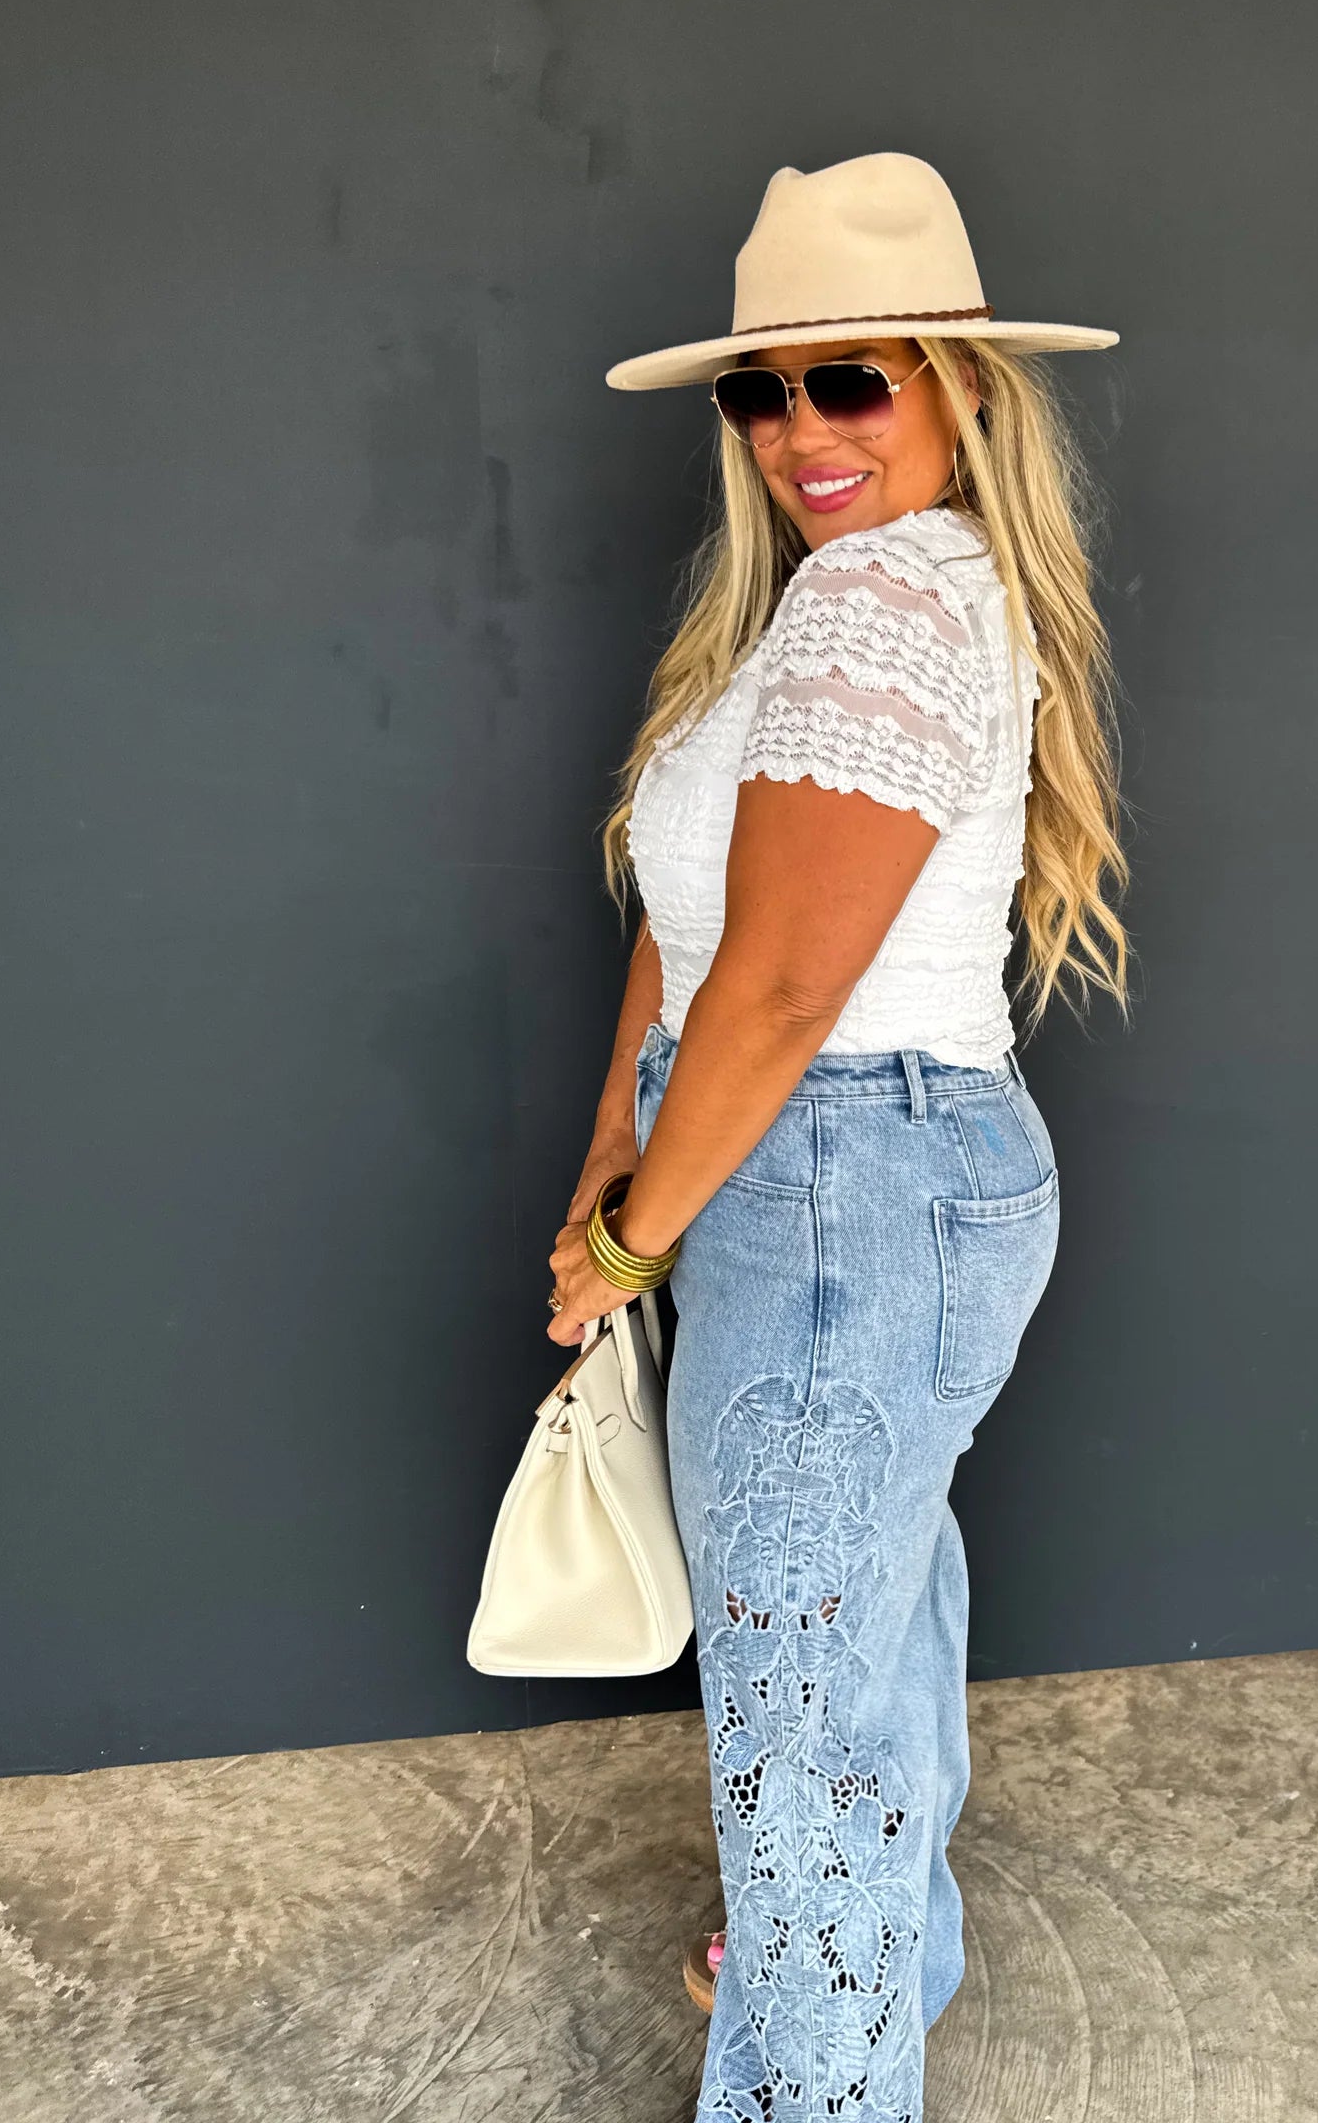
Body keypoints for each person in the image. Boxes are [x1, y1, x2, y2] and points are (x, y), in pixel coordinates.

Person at [545, 151, 1130, 2119]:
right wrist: (616, 1148)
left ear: (956, 387)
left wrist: (631, 1233)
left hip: (835, 1187)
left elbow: (787, 987)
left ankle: (817, 2060)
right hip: (819, 1180)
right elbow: (691, 913)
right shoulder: (830, 599)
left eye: (851, 380)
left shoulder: (884, 601)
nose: (801, 428)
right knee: (862, 1629)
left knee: (798, 1715)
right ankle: (875, 1955)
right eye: (761, 389)